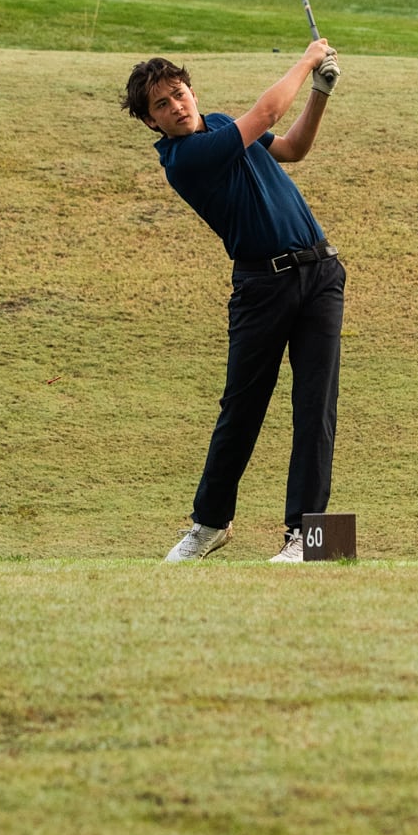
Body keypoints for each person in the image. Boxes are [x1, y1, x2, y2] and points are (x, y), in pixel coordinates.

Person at [121, 40, 344, 564]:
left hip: (320, 273)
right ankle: (209, 525)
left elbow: (292, 149)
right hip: (261, 288)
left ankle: (306, 538)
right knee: (241, 410)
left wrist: (320, 92)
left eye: (179, 93)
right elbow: (266, 113)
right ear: (152, 122)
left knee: (316, 408)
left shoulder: (221, 123)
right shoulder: (184, 160)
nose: (176, 106)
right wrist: (307, 59)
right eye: (162, 105)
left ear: (191, 92)